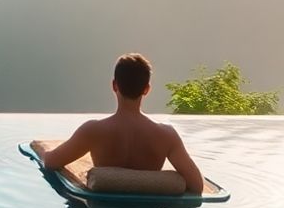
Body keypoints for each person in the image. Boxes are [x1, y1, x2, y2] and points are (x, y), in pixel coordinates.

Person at [33, 53, 204, 194]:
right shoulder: (166, 136)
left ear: (114, 86)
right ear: (147, 89)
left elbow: (52, 162)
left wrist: (41, 149)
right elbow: (197, 185)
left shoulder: (93, 130)